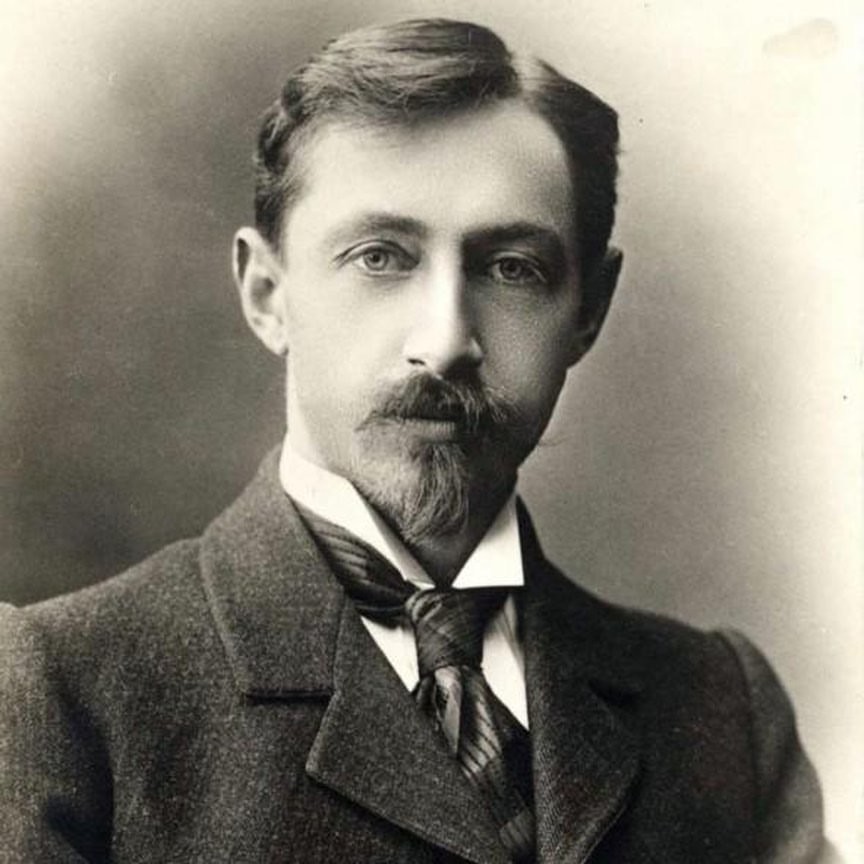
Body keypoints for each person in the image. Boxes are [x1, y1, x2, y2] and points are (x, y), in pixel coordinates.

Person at [0, 18, 828, 864]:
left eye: (512, 267)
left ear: (589, 310)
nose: (444, 342)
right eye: (379, 258)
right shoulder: (61, 691)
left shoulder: (722, 711)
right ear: (268, 294)